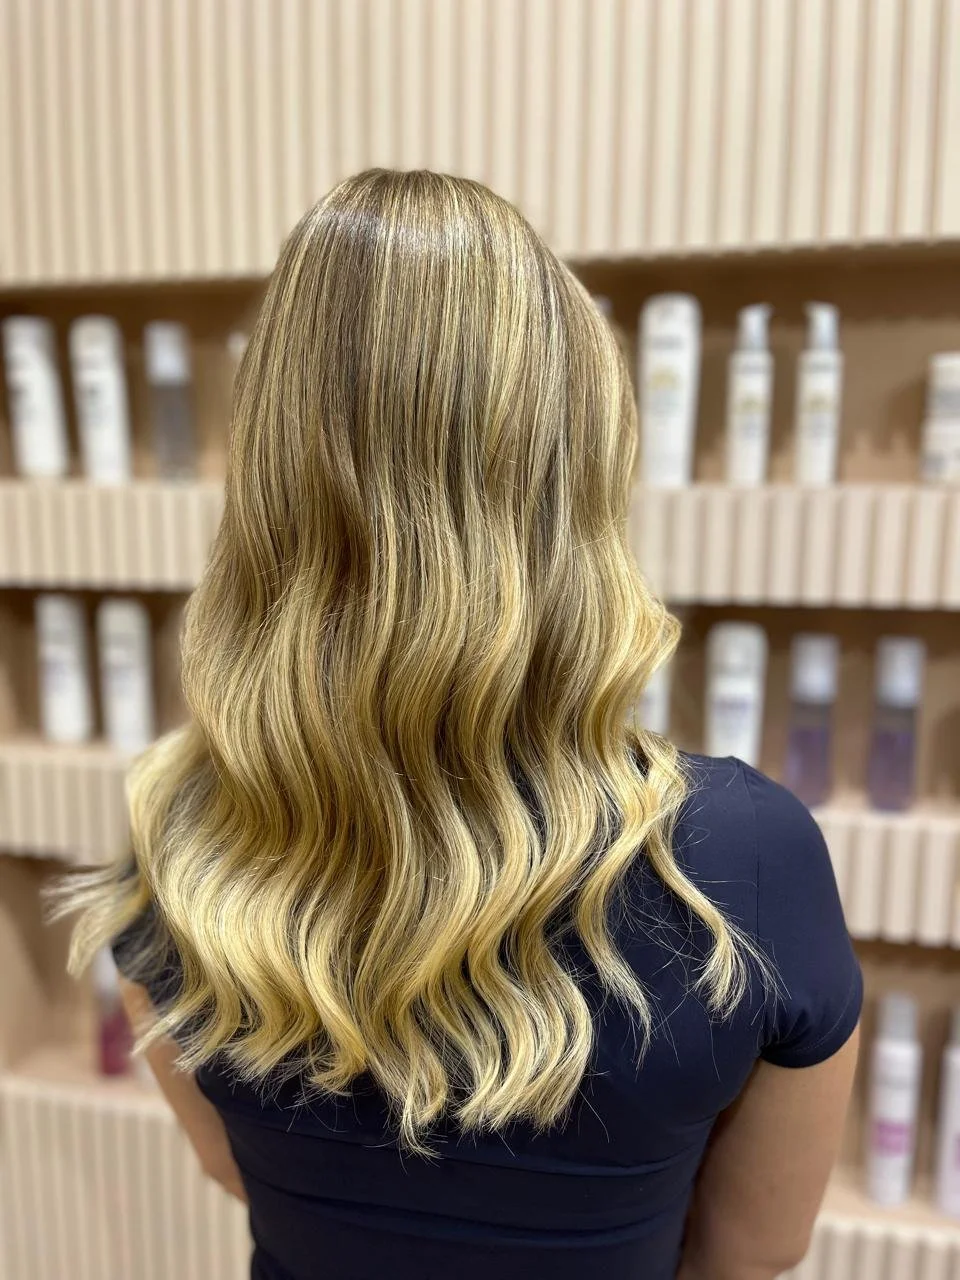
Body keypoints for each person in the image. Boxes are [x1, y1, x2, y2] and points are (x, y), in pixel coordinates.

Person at [58, 170, 861, 1280]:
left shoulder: (176, 836)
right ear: (578, 465)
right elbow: (752, 1248)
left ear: (269, 472)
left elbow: (236, 1172)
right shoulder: (741, 860)